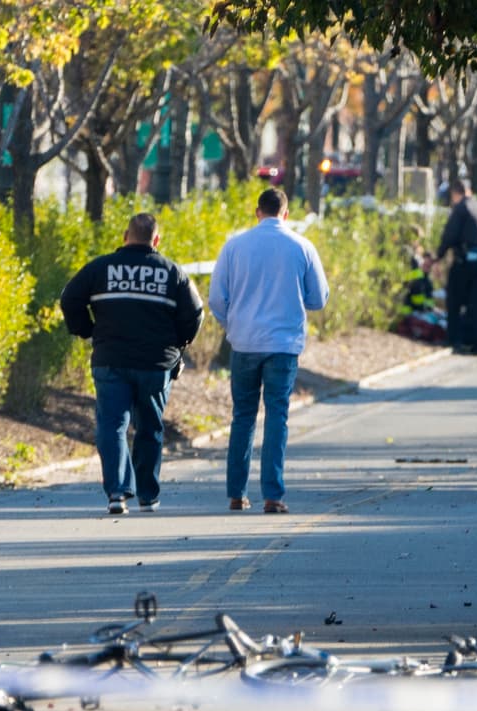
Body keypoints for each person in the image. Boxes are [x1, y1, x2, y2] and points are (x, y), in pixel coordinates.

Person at [61, 212, 203, 515]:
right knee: (149, 427)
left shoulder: (100, 268)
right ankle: (148, 496)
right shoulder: (172, 273)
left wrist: (87, 330)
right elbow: (194, 314)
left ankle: (117, 492)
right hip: (155, 365)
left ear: (125, 237)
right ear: (156, 240)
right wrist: (178, 344)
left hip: (111, 360)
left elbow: (69, 298)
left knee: (112, 425)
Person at [208, 187, 329, 514]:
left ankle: (237, 493)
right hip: (283, 345)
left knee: (243, 416)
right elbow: (318, 298)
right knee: (277, 415)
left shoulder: (234, 246)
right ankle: (273, 495)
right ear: (286, 214)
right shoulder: (302, 247)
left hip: (244, 342)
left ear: (257, 212)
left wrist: (232, 323)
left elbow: (217, 298)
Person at [435, 178, 477, 354]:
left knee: (454, 300)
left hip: (465, 260)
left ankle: (454, 339)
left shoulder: (461, 209)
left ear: (456, 193)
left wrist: (439, 256)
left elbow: (450, 235)